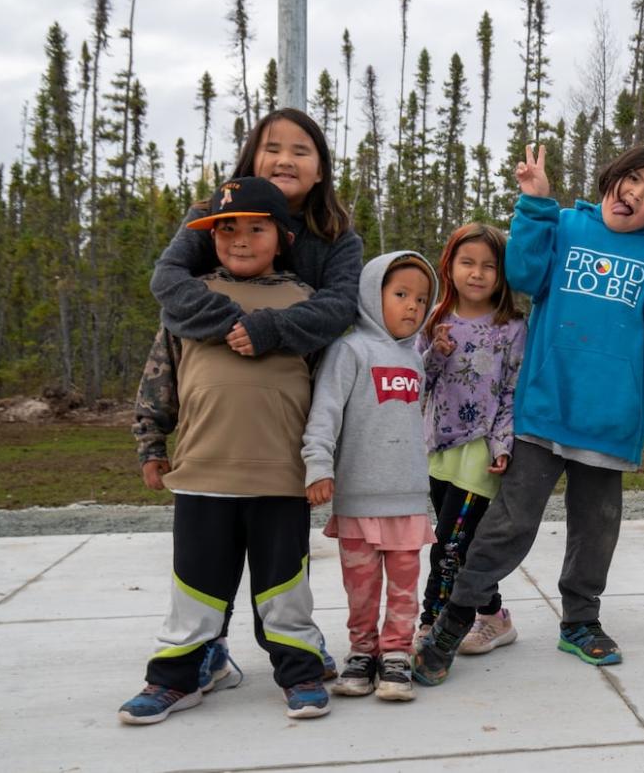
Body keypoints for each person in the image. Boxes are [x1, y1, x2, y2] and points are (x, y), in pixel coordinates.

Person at [413, 144, 644, 685]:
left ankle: (581, 621)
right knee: (510, 524)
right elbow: (523, 273)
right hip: (544, 409)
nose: (637, 194)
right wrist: (535, 204)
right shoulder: (565, 225)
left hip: (608, 420)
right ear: (611, 177)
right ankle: (456, 618)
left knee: (597, 528)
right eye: (632, 180)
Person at [152, 107, 360, 685]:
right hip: (213, 427)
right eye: (272, 147)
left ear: (320, 169)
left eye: (301, 150)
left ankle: (297, 658)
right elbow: (167, 285)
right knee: (205, 554)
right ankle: (199, 656)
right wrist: (233, 322)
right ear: (251, 158)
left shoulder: (334, 237)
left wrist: (270, 329)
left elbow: (340, 309)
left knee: (278, 563)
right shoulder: (211, 214)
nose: (285, 159)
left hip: (285, 429)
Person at [120, 177, 331, 725]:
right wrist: (150, 440)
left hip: (282, 478)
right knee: (196, 587)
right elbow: (159, 377)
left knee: (285, 588)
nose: (239, 238)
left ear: (282, 236)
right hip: (202, 473)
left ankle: (300, 671)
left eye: (256, 228)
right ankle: (176, 678)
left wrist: (326, 464)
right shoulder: (190, 303)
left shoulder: (302, 304)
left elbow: (329, 393)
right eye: (225, 228)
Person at [301, 251, 439, 702]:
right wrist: (318, 466)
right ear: (369, 295)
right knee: (361, 587)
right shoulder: (349, 350)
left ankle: (396, 654)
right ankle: (362, 652)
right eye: (401, 294)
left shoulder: (415, 359)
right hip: (359, 497)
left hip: (407, 499)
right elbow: (324, 413)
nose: (413, 306)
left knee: (404, 585)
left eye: (421, 299)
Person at [415, 224, 526, 655]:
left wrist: (502, 444)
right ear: (450, 266)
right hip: (438, 449)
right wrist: (433, 353)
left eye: (488, 266)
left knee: (448, 544)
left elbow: (512, 391)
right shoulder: (435, 321)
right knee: (461, 545)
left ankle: (431, 625)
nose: (476, 274)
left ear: (502, 275)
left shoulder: (512, 328)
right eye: (467, 263)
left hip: (480, 453)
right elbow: (418, 385)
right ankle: (494, 615)